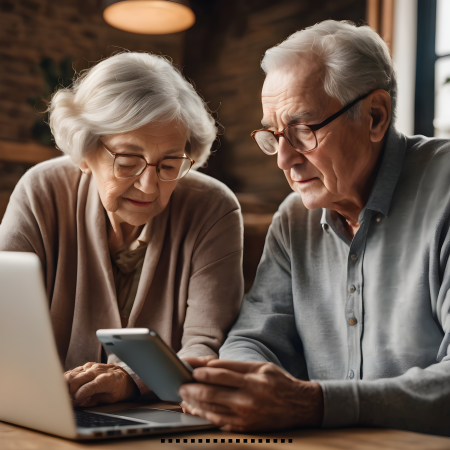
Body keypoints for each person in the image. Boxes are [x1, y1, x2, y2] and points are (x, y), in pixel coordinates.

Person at [179, 20, 450, 436]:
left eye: (303, 131)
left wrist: (314, 404)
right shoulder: (293, 220)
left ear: (375, 116)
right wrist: (240, 385)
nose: (283, 159)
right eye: (273, 135)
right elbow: (255, 338)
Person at [0, 52, 243, 408]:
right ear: (85, 152)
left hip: (158, 424)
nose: (149, 186)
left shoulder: (214, 209)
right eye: (128, 162)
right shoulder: (42, 191)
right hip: (44, 411)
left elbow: (207, 349)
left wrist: (130, 378)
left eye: (170, 163)